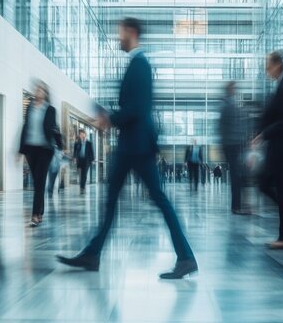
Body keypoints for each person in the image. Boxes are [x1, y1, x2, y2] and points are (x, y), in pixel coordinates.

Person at [56, 17, 197, 279]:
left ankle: (186, 257)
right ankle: (92, 254)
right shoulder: (137, 64)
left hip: (137, 145)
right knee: (113, 202)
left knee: (158, 200)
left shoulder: (140, 64)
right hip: (132, 144)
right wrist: (111, 118)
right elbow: (135, 107)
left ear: (131, 32)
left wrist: (110, 118)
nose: (117, 36)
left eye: (120, 31)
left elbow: (138, 109)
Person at [252, 51, 283, 250]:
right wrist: (260, 133)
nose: (266, 70)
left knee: (279, 190)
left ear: (278, 65)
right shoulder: (278, 89)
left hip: (282, 150)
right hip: (276, 149)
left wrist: (264, 134)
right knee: (270, 187)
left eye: (268, 66)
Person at [18, 81, 63, 227]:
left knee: (40, 181)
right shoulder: (30, 107)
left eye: (41, 90)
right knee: (37, 182)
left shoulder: (50, 109)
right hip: (31, 149)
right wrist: (20, 150)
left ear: (45, 93)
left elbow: (54, 128)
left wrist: (61, 146)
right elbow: (25, 127)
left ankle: (35, 214)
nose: (37, 92)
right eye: (36, 89)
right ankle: (40, 212)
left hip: (44, 149)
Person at [220, 81, 250, 214]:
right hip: (232, 145)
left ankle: (238, 205)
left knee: (237, 174)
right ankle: (237, 206)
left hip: (232, 144)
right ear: (230, 90)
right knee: (236, 175)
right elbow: (225, 127)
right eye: (234, 88)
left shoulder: (229, 104)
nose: (236, 90)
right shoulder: (228, 105)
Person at [73, 129, 94, 195]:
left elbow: (91, 153)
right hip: (80, 160)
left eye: (82, 133)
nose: (81, 135)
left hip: (86, 161)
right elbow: (75, 152)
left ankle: (82, 187)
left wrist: (91, 160)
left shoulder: (89, 143)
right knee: (80, 174)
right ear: (79, 135)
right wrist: (74, 158)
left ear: (85, 134)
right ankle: (82, 186)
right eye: (80, 134)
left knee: (84, 174)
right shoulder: (77, 143)